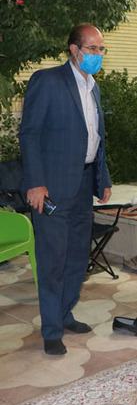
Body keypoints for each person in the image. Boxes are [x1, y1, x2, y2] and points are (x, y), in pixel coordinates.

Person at [19, 24, 112, 355]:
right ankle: (51, 329)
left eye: (101, 49)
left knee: (77, 256)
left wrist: (103, 178)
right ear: (74, 50)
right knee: (53, 259)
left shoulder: (93, 88)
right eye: (92, 49)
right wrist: (35, 183)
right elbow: (29, 134)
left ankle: (65, 312)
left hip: (83, 184)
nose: (98, 55)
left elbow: (96, 138)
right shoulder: (48, 81)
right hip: (52, 187)